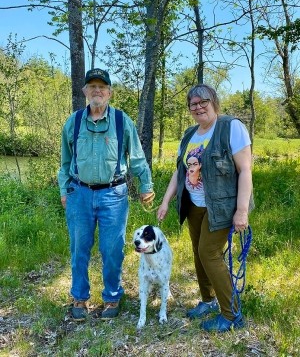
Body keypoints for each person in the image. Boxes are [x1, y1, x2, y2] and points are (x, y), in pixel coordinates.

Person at [58, 68, 154, 322]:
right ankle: (79, 297)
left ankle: (112, 297)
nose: (97, 91)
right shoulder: (74, 122)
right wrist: (64, 190)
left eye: (102, 87)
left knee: (112, 249)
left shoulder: (123, 122)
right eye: (92, 86)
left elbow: (136, 158)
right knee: (79, 248)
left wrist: (146, 186)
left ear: (110, 92)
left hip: (114, 195)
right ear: (85, 92)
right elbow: (65, 162)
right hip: (79, 194)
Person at [157, 84, 253, 332]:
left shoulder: (231, 127)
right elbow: (179, 173)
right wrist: (166, 201)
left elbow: (245, 171)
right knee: (199, 253)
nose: (198, 107)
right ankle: (208, 300)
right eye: (193, 104)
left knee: (209, 253)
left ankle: (231, 315)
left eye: (203, 102)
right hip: (194, 207)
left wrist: (241, 210)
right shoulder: (190, 135)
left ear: (214, 102)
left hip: (221, 207)